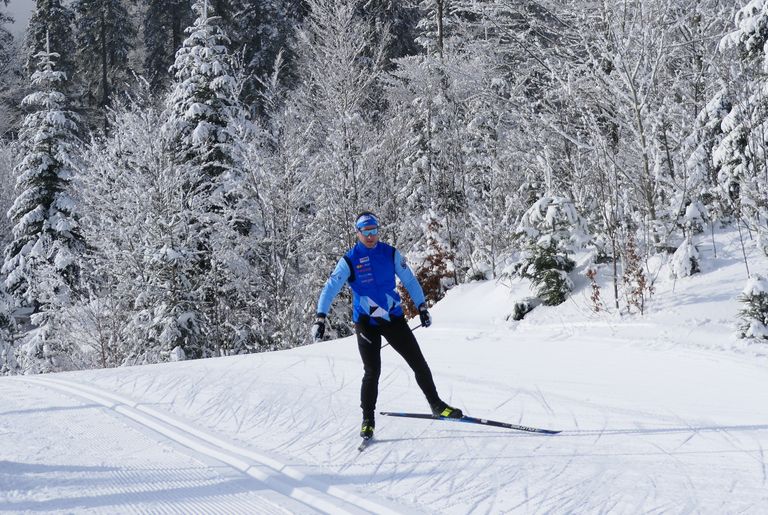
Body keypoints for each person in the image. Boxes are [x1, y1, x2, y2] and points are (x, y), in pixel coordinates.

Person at [311, 211, 463, 440]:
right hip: (366, 323)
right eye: (366, 231)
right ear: (358, 232)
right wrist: (320, 317)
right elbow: (330, 288)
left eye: (374, 230)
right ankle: (368, 420)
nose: (371, 236)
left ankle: (437, 405)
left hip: (393, 319)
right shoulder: (349, 260)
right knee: (372, 371)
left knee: (418, 363)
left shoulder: (390, 253)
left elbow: (409, 279)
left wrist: (422, 306)